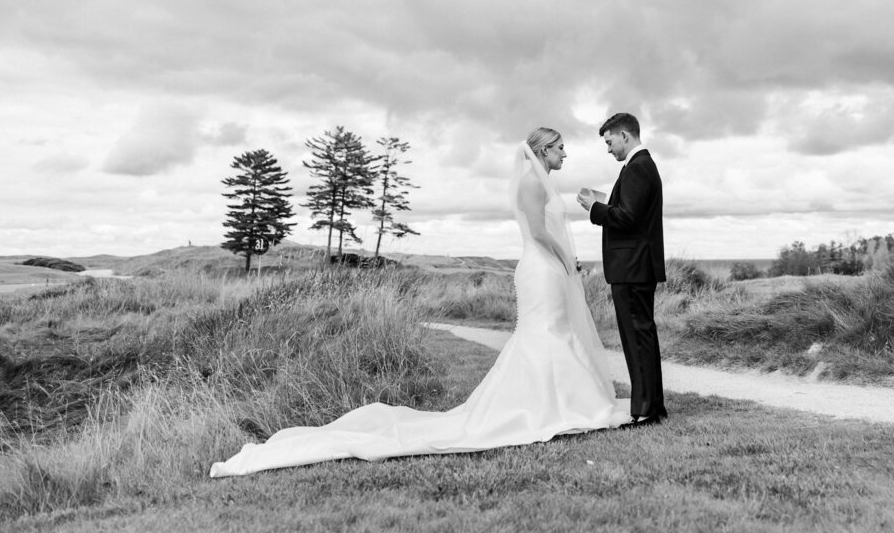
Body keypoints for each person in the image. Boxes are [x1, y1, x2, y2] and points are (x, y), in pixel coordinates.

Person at [209, 127, 629, 478]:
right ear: (542, 150)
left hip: (546, 269)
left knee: (549, 333)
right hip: (542, 269)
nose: (565, 154)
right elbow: (538, 233)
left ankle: (562, 402)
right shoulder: (533, 182)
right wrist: (566, 261)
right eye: (559, 148)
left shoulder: (542, 181)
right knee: (545, 334)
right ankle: (552, 406)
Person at [577, 112, 667, 426]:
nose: (608, 149)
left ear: (625, 136)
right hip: (636, 266)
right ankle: (653, 405)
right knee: (642, 336)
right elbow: (632, 214)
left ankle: (645, 410)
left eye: (609, 141)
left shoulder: (639, 168)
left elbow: (627, 218)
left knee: (637, 337)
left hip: (632, 268)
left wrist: (594, 209)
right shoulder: (639, 167)